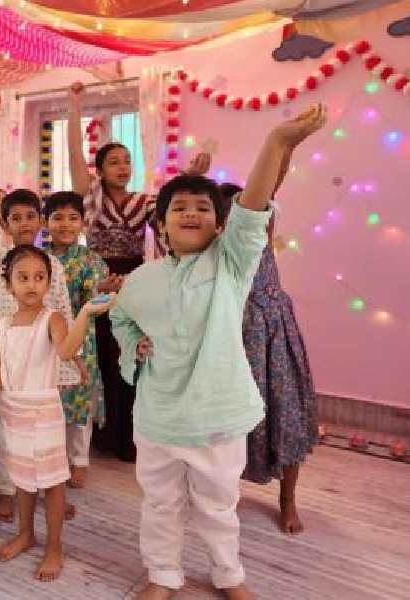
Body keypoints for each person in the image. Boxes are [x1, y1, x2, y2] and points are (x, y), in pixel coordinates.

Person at [109, 105, 326, 600]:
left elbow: (252, 210)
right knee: (161, 505)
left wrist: (277, 139)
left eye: (203, 208)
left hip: (216, 415)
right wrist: (131, 345)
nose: (191, 213)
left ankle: (229, 576)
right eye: (180, 207)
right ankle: (162, 575)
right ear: (160, 225)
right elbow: (121, 318)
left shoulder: (233, 264)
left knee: (217, 505)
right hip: (159, 418)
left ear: (219, 224)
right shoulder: (141, 280)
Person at [67, 81, 211, 461]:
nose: (123, 167)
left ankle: (130, 438)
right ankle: (101, 435)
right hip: (98, 281)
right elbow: (72, 155)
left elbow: (172, 218)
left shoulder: (144, 201)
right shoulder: (90, 198)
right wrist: (74, 105)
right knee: (102, 359)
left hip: (133, 281)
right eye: (114, 161)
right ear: (99, 169)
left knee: (131, 356)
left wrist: (193, 176)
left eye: (127, 161)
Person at [0, 245, 114, 582]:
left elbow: (66, 350)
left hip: (44, 412)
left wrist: (83, 316)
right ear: (8, 285)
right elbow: (1, 367)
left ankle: (54, 546)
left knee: (51, 483)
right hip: (14, 411)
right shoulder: (5, 323)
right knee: (22, 479)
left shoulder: (52, 319)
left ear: (49, 282)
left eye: (39, 277)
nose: (32, 284)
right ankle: (26, 533)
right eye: (23, 278)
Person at [0, 172, 78, 523]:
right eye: (16, 218)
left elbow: (63, 310)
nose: (24, 223)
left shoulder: (52, 264)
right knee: (7, 427)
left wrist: (72, 365)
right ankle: (9, 491)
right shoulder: (3, 258)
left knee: (46, 431)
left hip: (43, 354)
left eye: (30, 216)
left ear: (40, 221)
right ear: (6, 224)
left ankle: (50, 489)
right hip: (9, 352)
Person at [223, 178, 317, 535]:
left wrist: (288, 143)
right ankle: (223, 492)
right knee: (228, 422)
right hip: (230, 336)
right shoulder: (215, 249)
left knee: (284, 413)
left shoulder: (258, 236)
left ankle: (287, 499)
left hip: (273, 336)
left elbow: (271, 183)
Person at [42, 191, 110, 489]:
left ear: (83, 223)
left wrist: (103, 290)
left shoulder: (91, 260)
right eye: (58, 218)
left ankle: (80, 460)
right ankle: (53, 459)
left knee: (80, 399)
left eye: (73, 218)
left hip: (82, 339)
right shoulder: (38, 258)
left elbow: (97, 301)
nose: (65, 225)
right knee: (50, 400)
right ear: (46, 222)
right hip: (45, 339)